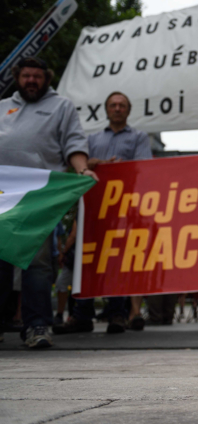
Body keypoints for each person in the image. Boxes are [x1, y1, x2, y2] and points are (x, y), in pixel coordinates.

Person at [0, 57, 98, 349]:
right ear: (18, 77)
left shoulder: (62, 107)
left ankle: (37, 325)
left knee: (38, 262)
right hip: (3, 198)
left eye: (37, 76)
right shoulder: (2, 107)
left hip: (39, 200)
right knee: (0, 262)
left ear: (47, 79)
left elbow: (74, 144)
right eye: (26, 75)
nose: (32, 81)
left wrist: (82, 171)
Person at [54, 92, 152, 335]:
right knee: (85, 261)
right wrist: (92, 166)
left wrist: (118, 169)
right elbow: (77, 169)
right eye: (113, 105)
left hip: (124, 210)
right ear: (106, 110)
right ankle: (81, 315)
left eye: (122, 105)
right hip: (95, 210)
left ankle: (117, 314)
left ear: (128, 111)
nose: (117, 109)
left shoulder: (139, 137)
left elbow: (145, 168)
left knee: (117, 261)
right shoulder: (91, 139)